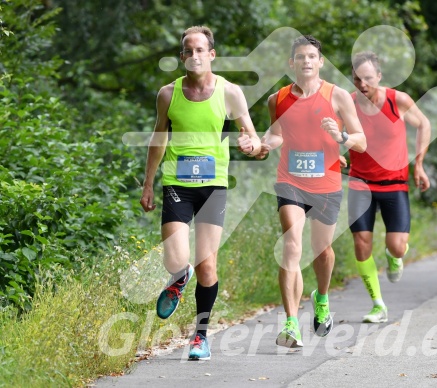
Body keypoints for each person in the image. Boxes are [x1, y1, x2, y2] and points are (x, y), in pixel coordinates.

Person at [139, 25, 261, 361]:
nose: (194, 56)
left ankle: (200, 337)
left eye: (200, 50)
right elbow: (158, 138)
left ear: (211, 55)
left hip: (213, 187)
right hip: (177, 184)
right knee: (175, 259)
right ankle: (180, 276)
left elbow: (253, 138)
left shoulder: (230, 92)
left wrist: (251, 145)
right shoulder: (168, 94)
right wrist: (148, 183)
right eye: (188, 51)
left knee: (208, 266)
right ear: (182, 57)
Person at [256, 35, 367, 348]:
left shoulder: (338, 95)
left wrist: (341, 135)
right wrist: (265, 143)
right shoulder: (276, 98)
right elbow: (276, 134)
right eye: (300, 57)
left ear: (320, 62)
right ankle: (291, 323)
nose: (306, 61)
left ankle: (321, 297)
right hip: (290, 180)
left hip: (327, 183)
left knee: (322, 251)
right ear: (292, 63)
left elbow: (362, 141)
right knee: (291, 244)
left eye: (312, 57)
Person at [346, 51, 430, 323]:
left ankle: (395, 256)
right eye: (357, 79)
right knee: (361, 242)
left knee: (396, 246)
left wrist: (419, 164)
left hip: (394, 183)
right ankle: (378, 304)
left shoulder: (398, 100)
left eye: (368, 78)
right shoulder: (347, 103)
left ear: (379, 77)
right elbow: (331, 132)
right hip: (360, 183)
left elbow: (424, 124)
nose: (363, 84)